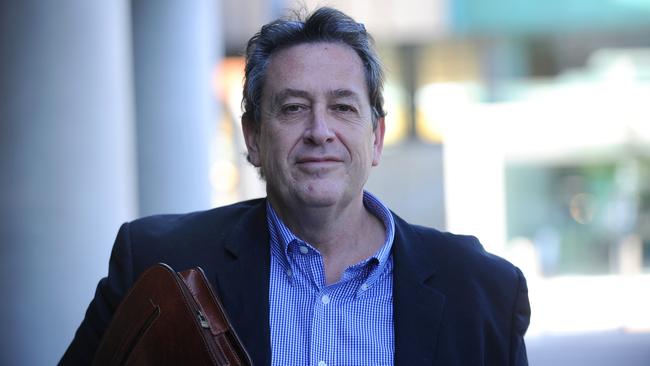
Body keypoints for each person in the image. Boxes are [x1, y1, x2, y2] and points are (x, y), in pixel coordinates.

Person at [61, 7, 530, 365]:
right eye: (292, 108)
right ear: (253, 138)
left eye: (344, 107)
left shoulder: (483, 291)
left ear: (376, 136)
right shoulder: (155, 263)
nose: (320, 131)